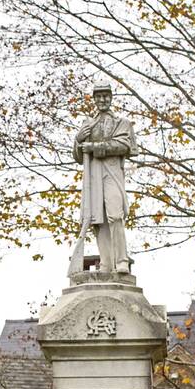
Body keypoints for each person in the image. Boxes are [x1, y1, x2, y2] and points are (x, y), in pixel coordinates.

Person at [70, 79, 136, 275]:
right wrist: (78, 140)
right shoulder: (87, 124)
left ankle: (121, 260)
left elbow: (124, 146)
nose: (103, 99)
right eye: (99, 96)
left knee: (115, 215)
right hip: (93, 177)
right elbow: (78, 156)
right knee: (97, 220)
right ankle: (106, 264)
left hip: (112, 173)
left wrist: (94, 147)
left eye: (106, 95)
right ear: (94, 99)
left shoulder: (121, 123)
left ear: (111, 98)